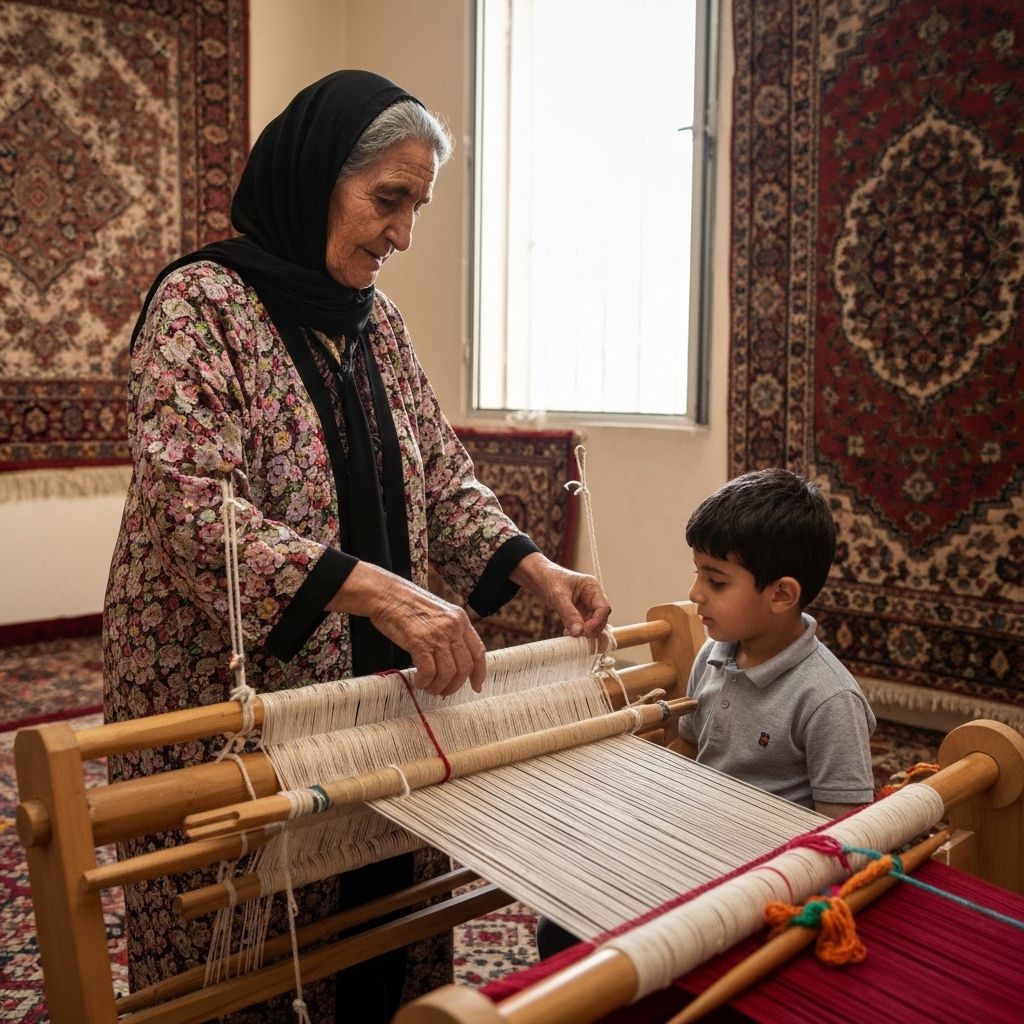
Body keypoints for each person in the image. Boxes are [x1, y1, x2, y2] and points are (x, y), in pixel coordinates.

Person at [102, 70, 611, 1024]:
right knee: (238, 935)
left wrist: (539, 570)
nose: (402, 235)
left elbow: (444, 481)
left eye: (416, 207)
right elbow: (187, 507)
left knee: (379, 921)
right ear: (315, 177)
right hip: (228, 697)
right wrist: (378, 592)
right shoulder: (202, 306)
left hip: (374, 694)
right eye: (388, 200)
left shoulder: (377, 324)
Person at [536, 467, 874, 960]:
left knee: (626, 953)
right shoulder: (714, 654)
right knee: (561, 925)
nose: (695, 592)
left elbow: (847, 833)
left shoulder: (828, 700)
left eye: (715, 580)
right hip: (699, 845)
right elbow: (692, 751)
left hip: (763, 881)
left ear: (781, 594)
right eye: (697, 572)